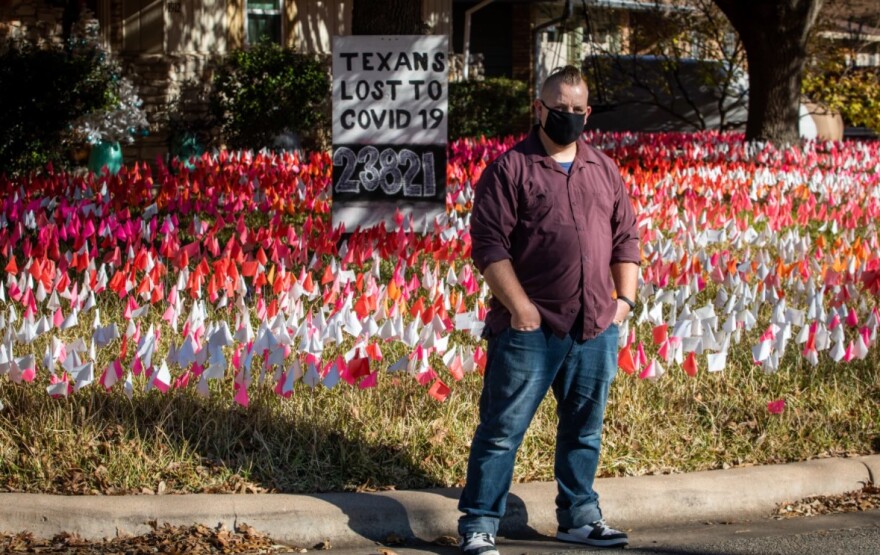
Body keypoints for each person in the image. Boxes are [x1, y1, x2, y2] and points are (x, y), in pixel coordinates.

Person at [458, 65, 640, 555]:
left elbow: (626, 238)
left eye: (579, 111)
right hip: (530, 327)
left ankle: (579, 516)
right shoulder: (509, 169)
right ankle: (479, 522)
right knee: (502, 429)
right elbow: (489, 245)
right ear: (539, 109)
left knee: (585, 428)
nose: (571, 118)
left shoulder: (603, 168)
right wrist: (520, 309)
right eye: (561, 110)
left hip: (595, 324)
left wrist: (624, 302)